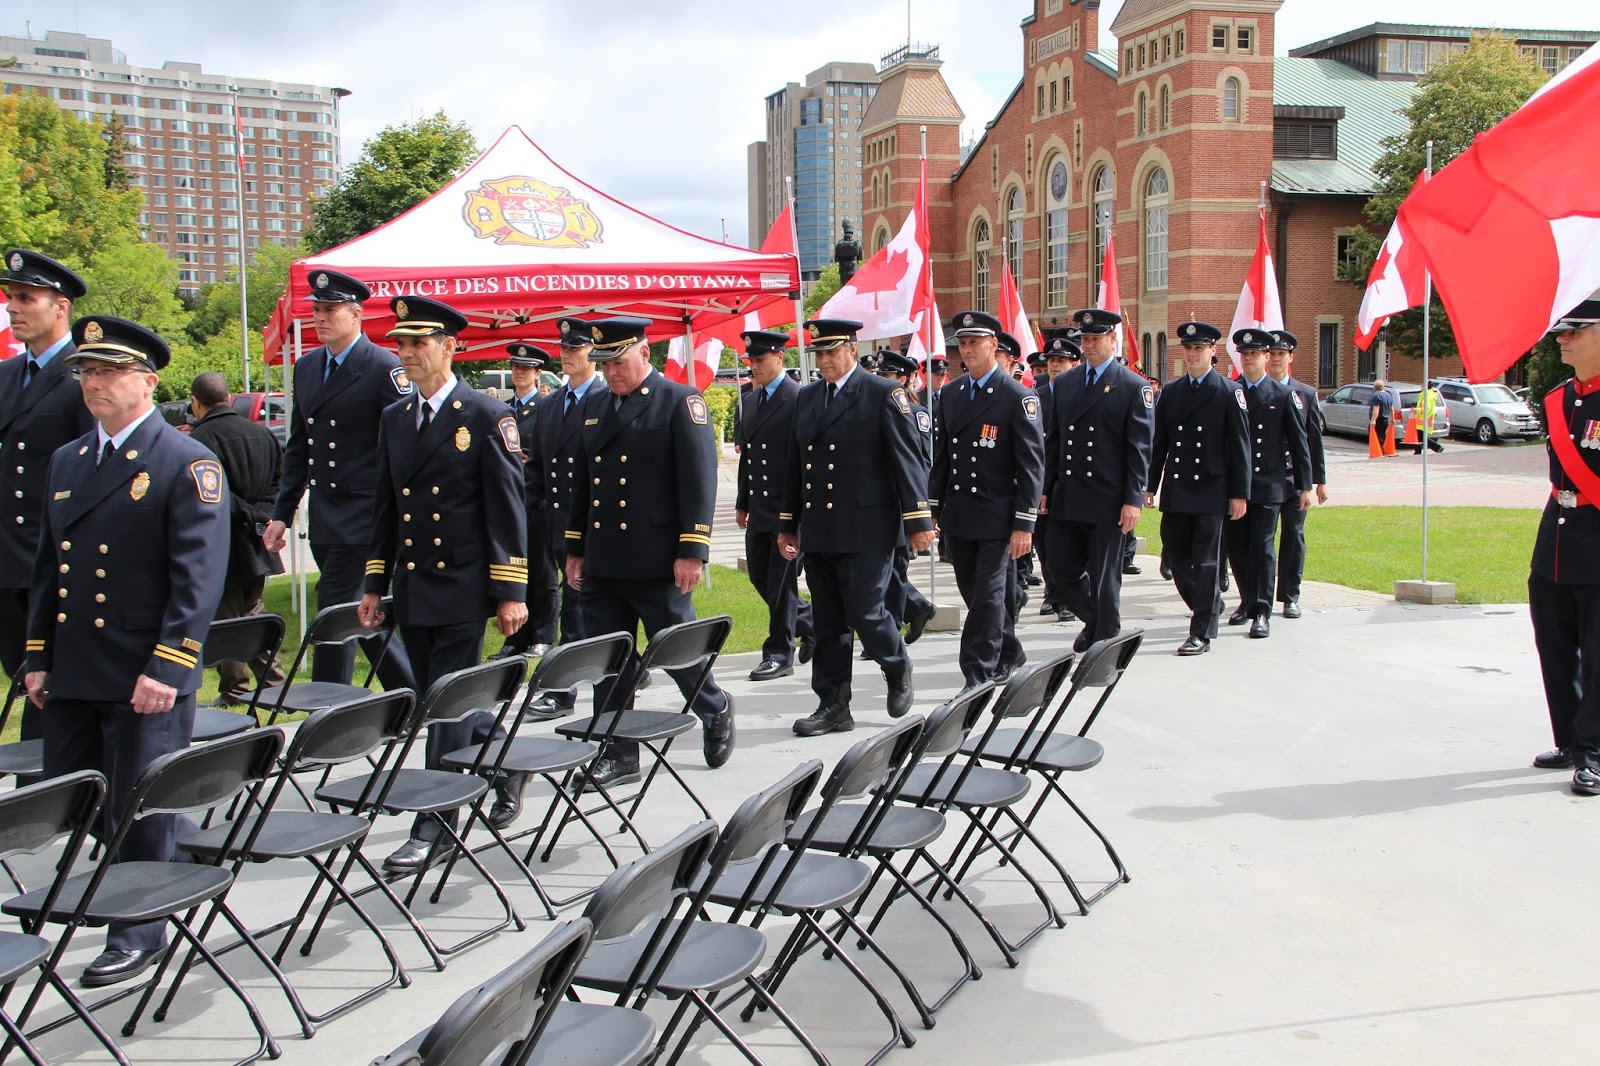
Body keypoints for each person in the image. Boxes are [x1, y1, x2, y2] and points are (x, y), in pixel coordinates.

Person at [24, 316, 230, 988]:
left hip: (145, 672)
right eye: (86, 371)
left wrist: (170, 664)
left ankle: (140, 928)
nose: (95, 384)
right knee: (78, 800)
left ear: (148, 380)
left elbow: (197, 577)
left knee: (140, 808)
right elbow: (48, 568)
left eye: (110, 372)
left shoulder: (186, 461)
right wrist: (37, 654)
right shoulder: (69, 461)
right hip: (79, 666)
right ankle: (137, 886)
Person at [359, 296, 529, 872]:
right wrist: (373, 582)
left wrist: (511, 590)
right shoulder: (395, 418)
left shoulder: (483, 414)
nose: (406, 354)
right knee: (445, 697)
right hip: (412, 585)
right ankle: (504, 765)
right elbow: (387, 506)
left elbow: (507, 509)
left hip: (462, 583)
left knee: (442, 704)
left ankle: (434, 823)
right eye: (400, 345)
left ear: (449, 347)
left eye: (418, 345)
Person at [564, 316, 736, 787]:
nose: (610, 373)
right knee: (608, 658)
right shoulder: (596, 405)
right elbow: (586, 482)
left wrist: (693, 549)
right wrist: (575, 546)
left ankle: (714, 706)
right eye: (603, 365)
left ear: (644, 352)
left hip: (658, 558)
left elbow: (698, 481)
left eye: (618, 362)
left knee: (676, 652)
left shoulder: (680, 402)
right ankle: (617, 751)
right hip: (605, 557)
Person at [779, 318, 931, 737]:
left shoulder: (883, 394)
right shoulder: (808, 398)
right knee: (829, 623)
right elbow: (797, 465)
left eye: (831, 352)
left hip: (869, 527)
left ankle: (896, 662)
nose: (824, 361)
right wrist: (788, 523)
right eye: (819, 354)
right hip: (822, 528)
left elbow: (908, 460)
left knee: (866, 611)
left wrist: (918, 521)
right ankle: (832, 705)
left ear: (850, 349)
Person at [265, 269, 415, 692]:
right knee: (361, 614)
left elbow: (406, 443)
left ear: (356, 314)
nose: (320, 317)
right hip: (327, 513)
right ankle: (414, 694)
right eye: (316, 309)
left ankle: (329, 709)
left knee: (332, 609)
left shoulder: (383, 366)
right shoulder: (309, 367)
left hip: (368, 511)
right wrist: (282, 512)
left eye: (330, 310)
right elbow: (299, 445)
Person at [0, 250, 94, 759]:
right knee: (24, 677)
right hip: (7, 562)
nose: (13, 307)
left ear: (60, 307)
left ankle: (46, 793)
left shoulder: (83, 374)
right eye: (11, 297)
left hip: (54, 560)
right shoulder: (6, 375)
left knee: (49, 682)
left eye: (25, 298)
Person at [932, 311, 1045, 688]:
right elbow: (943, 458)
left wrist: (1024, 524)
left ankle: (977, 671)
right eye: (962, 345)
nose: (967, 351)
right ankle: (1008, 649)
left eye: (975, 343)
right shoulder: (950, 393)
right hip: (961, 513)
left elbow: (1031, 465)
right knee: (972, 591)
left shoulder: (1018, 397)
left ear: (994, 345)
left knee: (988, 595)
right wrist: (932, 509)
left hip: (998, 515)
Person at [1041, 308, 1153, 653]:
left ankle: (1104, 640)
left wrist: (1133, 498)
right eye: (1085, 339)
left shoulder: (1133, 386)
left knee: (1105, 579)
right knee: (1060, 568)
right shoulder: (1067, 383)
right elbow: (1055, 441)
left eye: (1095, 338)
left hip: (1108, 497)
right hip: (1069, 495)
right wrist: (1045, 488)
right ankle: (1099, 623)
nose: (1089, 345)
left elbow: (1139, 448)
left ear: (1112, 340)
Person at [1529, 292, 1600, 795]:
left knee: (1598, 653)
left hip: (1597, 539)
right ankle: (1572, 739)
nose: (1563, 339)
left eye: (1575, 331)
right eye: (1562, 331)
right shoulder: (1557, 398)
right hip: (1556, 535)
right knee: (1555, 645)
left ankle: (1595, 749)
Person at [1144, 322, 1249, 656]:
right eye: (1188, 349)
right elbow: (1158, 442)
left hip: (1212, 488)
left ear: (1212, 351)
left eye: (1199, 349)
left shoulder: (1228, 391)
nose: (1192, 355)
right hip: (1178, 487)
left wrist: (1239, 493)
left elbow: (1240, 447)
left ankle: (1200, 631)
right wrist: (1150, 484)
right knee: (1175, 556)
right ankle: (1209, 604)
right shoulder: (1172, 392)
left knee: (1206, 562)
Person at [522, 318, 607, 717]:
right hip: (558, 524)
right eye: (564, 346)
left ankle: (562, 691)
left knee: (575, 612)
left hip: (597, 526)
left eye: (577, 347)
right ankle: (622, 667)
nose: (567, 353)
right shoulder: (550, 404)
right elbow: (538, 468)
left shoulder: (608, 398)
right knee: (582, 610)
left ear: (595, 351)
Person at [186, 371, 287, 701]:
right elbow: (280, 483)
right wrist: (263, 515)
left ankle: (236, 687)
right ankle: (272, 681)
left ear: (195, 403)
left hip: (224, 543)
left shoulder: (198, 442)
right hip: (258, 539)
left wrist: (248, 513)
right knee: (251, 610)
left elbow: (214, 495)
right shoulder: (263, 435)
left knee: (226, 618)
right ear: (229, 399)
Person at [1222, 330, 1312, 640]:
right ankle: (1247, 601)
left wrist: (1306, 486)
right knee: (1238, 547)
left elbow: (1300, 445)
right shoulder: (1230, 391)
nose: (1249, 359)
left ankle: (1262, 610)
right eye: (1244, 354)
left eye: (1255, 354)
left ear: (1266, 357)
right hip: (1235, 486)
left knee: (1262, 547)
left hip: (1268, 483)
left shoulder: (1283, 394)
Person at [737, 330, 815, 680]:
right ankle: (810, 621)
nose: (754, 366)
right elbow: (748, 456)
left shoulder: (798, 397)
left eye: (760, 359)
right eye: (751, 360)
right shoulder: (750, 400)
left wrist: (798, 512)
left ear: (779, 358)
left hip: (788, 508)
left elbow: (804, 458)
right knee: (759, 576)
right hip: (759, 508)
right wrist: (742, 500)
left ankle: (779, 652)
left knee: (782, 583)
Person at [493, 344, 557, 661]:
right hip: (508, 502)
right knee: (513, 571)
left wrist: (528, 459)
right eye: (515, 367)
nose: (519, 373)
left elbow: (548, 453)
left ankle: (543, 634)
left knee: (541, 573)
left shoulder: (545, 408)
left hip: (535, 501)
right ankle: (515, 639)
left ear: (537, 373)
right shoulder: (503, 410)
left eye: (525, 368)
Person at [872, 349, 938, 644]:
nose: (883, 381)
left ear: (905, 379)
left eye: (888, 376)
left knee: (896, 568)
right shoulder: (875, 408)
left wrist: (918, 509)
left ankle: (893, 627)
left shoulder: (917, 414)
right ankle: (917, 607)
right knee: (887, 567)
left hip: (904, 502)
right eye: (880, 375)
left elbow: (920, 462)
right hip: (880, 500)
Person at [1266, 330, 1328, 618]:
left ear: (1290, 357)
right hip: (1263, 478)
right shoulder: (1251, 389)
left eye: (1282, 354)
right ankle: (1256, 596)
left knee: (1294, 534)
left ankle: (1290, 595)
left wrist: (1318, 482)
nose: (1277, 359)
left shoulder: (1305, 394)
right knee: (1261, 539)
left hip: (1294, 479)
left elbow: (1312, 440)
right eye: (1273, 354)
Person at [1034, 329, 1079, 621]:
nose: (1054, 365)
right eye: (1051, 360)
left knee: (1065, 545)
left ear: (1073, 364)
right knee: (1043, 542)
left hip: (1067, 480)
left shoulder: (1078, 394)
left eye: (1061, 361)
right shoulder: (1034, 397)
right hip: (1038, 478)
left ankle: (1064, 598)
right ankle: (1052, 591)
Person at [1412, 382, 1445, 454]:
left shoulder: (1427, 396)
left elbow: (1426, 409)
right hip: (1422, 420)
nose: (1421, 387)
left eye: (1422, 385)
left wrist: (1416, 411)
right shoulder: (1425, 395)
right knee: (1419, 437)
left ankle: (1437, 447)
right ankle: (1417, 451)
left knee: (1422, 438)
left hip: (1423, 420)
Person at [1368, 378, 1396, 450]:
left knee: (1377, 436)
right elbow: (1391, 409)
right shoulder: (1389, 395)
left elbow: (1376, 409)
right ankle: (1382, 449)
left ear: (1375, 387)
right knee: (1382, 435)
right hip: (1385, 419)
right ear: (1383, 386)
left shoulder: (1376, 396)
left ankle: (1380, 451)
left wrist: (1373, 420)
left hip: (1379, 419)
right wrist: (1393, 418)